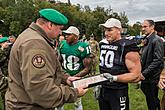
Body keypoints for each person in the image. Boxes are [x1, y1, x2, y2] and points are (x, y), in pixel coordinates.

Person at [5, 8, 88, 110]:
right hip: (28, 106)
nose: (60, 33)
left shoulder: (33, 36)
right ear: (50, 25)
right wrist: (73, 93)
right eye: (60, 28)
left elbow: (49, 67)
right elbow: (41, 90)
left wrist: (66, 78)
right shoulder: (35, 44)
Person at [98, 18, 144, 110]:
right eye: (105, 30)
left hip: (118, 91)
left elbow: (136, 75)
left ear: (119, 30)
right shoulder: (103, 44)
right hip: (104, 89)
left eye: (110, 30)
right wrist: (99, 84)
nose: (106, 33)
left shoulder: (127, 47)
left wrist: (114, 78)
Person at [58, 26, 91, 110]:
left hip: (76, 76)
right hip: (63, 77)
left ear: (76, 36)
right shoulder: (62, 44)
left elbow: (87, 68)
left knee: (77, 101)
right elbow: (59, 61)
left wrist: (75, 78)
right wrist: (63, 75)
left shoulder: (83, 47)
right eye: (66, 34)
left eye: (69, 34)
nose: (66, 36)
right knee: (59, 100)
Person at [140, 19, 164, 110]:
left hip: (152, 77)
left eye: (145, 26)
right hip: (146, 76)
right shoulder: (147, 39)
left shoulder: (157, 40)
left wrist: (144, 73)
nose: (143, 28)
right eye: (142, 26)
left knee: (152, 101)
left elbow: (158, 60)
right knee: (151, 98)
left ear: (152, 27)